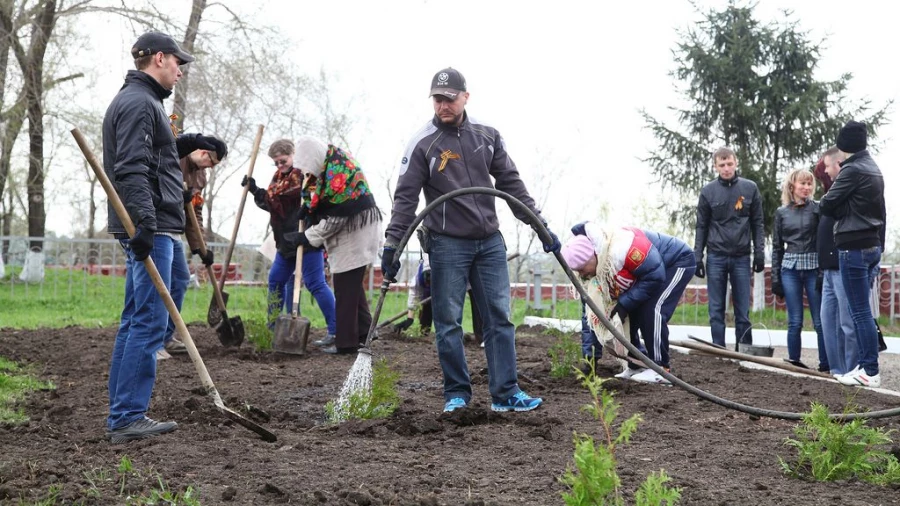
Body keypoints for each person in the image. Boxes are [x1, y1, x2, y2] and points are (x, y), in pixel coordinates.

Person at [383, 67, 560, 413]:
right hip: (447, 242)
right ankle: (457, 394)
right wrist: (393, 243)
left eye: (450, 98)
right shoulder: (421, 144)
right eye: (437, 99)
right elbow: (405, 198)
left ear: (466, 97)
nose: (443, 105)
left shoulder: (487, 135)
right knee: (448, 320)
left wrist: (539, 224)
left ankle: (506, 393)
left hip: (489, 241)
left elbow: (511, 183)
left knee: (499, 316)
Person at [103, 31, 224, 443]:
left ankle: (125, 412)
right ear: (159, 59)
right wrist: (145, 222)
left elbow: (154, 153)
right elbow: (132, 166)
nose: (180, 71)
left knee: (139, 319)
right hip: (153, 227)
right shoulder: (139, 103)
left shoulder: (144, 102)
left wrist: (185, 142)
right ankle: (126, 417)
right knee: (148, 321)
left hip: (162, 225)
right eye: (178, 63)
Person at [282, 135, 382, 354]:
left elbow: (336, 220)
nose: (308, 172)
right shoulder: (327, 164)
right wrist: (309, 211)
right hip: (352, 229)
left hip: (358, 231)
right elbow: (322, 199)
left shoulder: (340, 172)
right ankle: (365, 334)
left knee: (346, 286)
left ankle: (346, 343)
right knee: (353, 288)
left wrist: (307, 236)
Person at [563, 222, 696, 385]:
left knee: (652, 309)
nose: (582, 274)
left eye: (582, 268)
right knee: (624, 313)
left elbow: (655, 276)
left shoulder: (622, 249)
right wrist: (590, 358)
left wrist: (625, 303)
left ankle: (660, 369)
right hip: (649, 271)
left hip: (675, 262)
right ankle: (636, 365)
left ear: (593, 255)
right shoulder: (595, 272)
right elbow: (591, 314)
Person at [242, 139, 337, 343]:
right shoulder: (277, 178)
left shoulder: (303, 175)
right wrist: (255, 190)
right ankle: (274, 327)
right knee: (276, 280)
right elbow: (273, 204)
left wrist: (308, 215)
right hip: (285, 241)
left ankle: (336, 330)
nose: (279, 166)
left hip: (306, 238)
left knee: (315, 283)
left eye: (282, 161)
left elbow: (300, 199)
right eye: (275, 162)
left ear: (292, 155)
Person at [820, 120, 886, 388]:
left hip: (854, 247)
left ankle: (869, 369)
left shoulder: (852, 169)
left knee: (858, 311)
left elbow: (827, 203)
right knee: (862, 311)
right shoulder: (873, 167)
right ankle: (864, 365)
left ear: (844, 144)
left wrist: (839, 210)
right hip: (870, 245)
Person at [157, 145, 227, 361]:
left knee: (179, 280)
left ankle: (166, 337)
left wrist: (201, 247)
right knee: (159, 285)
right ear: (204, 152)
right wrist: (178, 195)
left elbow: (195, 211)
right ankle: (152, 342)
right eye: (212, 162)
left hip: (175, 232)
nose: (210, 167)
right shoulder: (173, 156)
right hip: (157, 228)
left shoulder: (200, 177)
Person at [693, 147, 765, 348]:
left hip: (742, 257)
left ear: (736, 163)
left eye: (729, 164)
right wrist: (697, 256)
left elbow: (758, 223)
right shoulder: (708, 192)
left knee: (742, 309)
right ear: (715, 166)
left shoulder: (750, 189)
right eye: (722, 165)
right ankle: (719, 349)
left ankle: (744, 351)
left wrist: (759, 253)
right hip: (716, 256)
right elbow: (701, 226)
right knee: (716, 308)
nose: (726, 168)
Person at [771, 168, 826, 371]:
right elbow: (777, 248)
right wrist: (775, 279)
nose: (806, 187)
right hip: (790, 269)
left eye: (809, 184)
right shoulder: (781, 213)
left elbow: (824, 241)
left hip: (813, 268)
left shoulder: (818, 209)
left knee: (820, 321)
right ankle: (794, 363)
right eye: (802, 183)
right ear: (792, 186)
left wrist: (822, 272)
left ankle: (825, 364)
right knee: (795, 321)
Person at [815, 148, 858, 376]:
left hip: (843, 264)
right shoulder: (831, 191)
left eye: (827, 167)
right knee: (828, 323)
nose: (825, 172)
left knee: (847, 323)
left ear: (838, 165)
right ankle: (836, 371)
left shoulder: (849, 189)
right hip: (828, 269)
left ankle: (852, 370)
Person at [393, 250, 484, 344]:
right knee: (427, 299)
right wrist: (410, 318)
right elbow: (414, 295)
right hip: (434, 261)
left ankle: (480, 337)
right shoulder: (419, 278)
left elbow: (461, 293)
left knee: (475, 300)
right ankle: (424, 333)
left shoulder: (453, 274)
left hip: (460, 277)